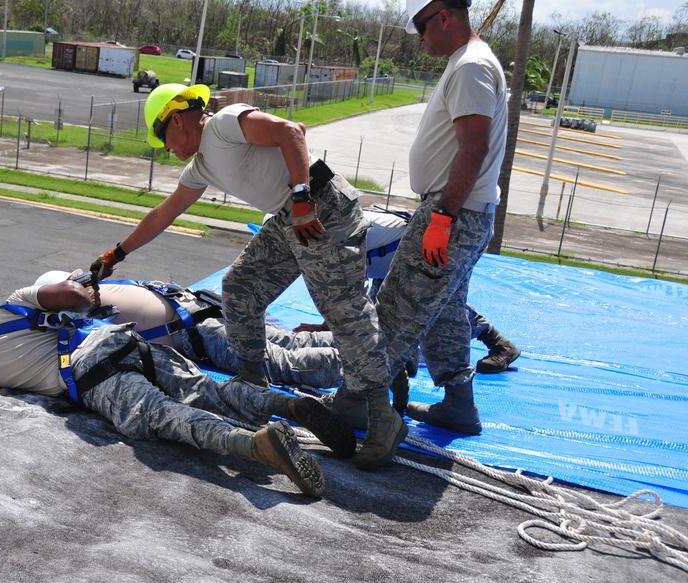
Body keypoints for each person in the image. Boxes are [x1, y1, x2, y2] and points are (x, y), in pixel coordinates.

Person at [88, 83, 406, 471]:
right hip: (289, 216)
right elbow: (164, 213)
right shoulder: (201, 165)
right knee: (240, 287)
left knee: (345, 311)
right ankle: (254, 384)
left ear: (176, 120)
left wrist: (304, 198)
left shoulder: (224, 124)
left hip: (320, 205)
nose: (167, 149)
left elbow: (292, 131)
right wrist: (115, 254)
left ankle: (380, 413)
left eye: (163, 137)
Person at [0, 276, 370, 498]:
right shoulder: (15, 302)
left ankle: (255, 445)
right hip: (122, 340)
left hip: (92, 377)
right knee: (209, 390)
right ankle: (287, 405)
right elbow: (74, 295)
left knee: (169, 416)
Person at [372, 0, 509, 435]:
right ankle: (458, 404)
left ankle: (362, 402)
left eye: (422, 27)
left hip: (455, 211)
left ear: (444, 16)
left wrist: (442, 219)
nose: (420, 37)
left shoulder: (470, 67)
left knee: (396, 305)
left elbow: (473, 147)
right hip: (463, 211)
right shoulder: (467, 62)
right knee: (447, 311)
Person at [33, 270, 345, 391]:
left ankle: (367, 367)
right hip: (211, 309)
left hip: (203, 331)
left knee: (281, 364)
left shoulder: (85, 312)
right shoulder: (108, 286)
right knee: (292, 341)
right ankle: (372, 346)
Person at [295, 209, 521, 375]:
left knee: (435, 303)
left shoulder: (335, 236)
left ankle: (499, 343)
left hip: (410, 245)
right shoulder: (320, 236)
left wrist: (324, 328)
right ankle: (404, 360)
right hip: (387, 258)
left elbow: (351, 293)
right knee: (386, 314)